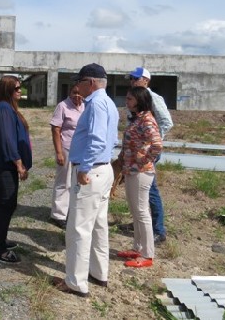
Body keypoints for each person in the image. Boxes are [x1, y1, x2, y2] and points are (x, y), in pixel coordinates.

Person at [52, 63, 119, 298]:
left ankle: (76, 282)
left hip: (91, 171)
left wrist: (85, 167)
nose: (77, 87)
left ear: (90, 82)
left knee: (79, 228)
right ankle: (99, 273)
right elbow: (110, 140)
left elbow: (97, 140)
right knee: (99, 225)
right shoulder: (109, 103)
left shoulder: (96, 104)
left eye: (79, 82)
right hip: (104, 169)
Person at [0, 75, 31, 264]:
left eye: (20, 87)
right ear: (7, 90)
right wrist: (19, 164)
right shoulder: (3, 108)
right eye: (16, 88)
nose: (20, 91)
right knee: (7, 204)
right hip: (2, 165)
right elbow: (7, 140)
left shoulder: (4, 107)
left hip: (0, 163)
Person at [117, 86, 163, 268]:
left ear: (139, 100)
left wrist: (143, 159)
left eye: (130, 99)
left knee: (142, 212)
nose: (126, 102)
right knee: (135, 210)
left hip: (141, 172)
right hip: (131, 170)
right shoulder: (137, 118)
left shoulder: (147, 120)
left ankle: (147, 254)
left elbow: (157, 145)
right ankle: (137, 247)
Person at [129, 67, 173, 244]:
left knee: (150, 189)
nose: (132, 81)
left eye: (135, 78)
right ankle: (143, 222)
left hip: (147, 152)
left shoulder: (153, 98)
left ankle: (158, 230)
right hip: (138, 151)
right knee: (141, 190)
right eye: (131, 78)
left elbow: (167, 122)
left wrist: (152, 140)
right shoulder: (137, 97)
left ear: (146, 80)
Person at [49, 83, 84, 229]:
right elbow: (55, 129)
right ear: (69, 93)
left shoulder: (85, 106)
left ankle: (71, 210)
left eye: (80, 93)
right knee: (63, 181)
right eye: (74, 93)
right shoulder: (62, 106)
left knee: (76, 182)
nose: (77, 96)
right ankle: (58, 215)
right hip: (66, 148)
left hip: (81, 150)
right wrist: (59, 152)